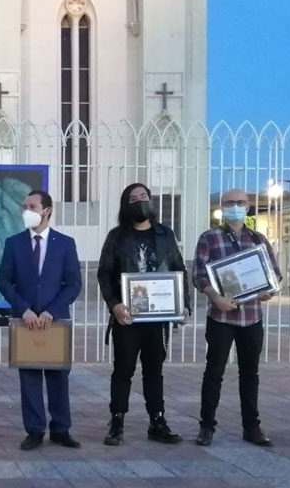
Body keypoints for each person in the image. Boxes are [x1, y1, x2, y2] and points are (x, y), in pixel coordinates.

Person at [97, 182, 189, 446]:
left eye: (144, 196)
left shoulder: (165, 235)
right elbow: (104, 273)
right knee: (123, 370)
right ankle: (116, 422)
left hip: (158, 319)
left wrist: (184, 305)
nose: (139, 201)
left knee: (154, 370)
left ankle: (157, 421)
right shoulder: (117, 236)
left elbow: (179, 270)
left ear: (151, 202)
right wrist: (114, 304)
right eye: (133, 198)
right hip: (127, 317)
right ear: (126, 205)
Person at [192, 188, 281, 447]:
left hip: (252, 317)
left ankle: (251, 427)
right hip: (220, 316)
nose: (235, 207)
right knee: (214, 373)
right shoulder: (209, 237)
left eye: (240, 203)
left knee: (250, 374)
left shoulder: (259, 240)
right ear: (221, 207)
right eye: (230, 203)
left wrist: (268, 290)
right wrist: (214, 296)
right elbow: (199, 274)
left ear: (248, 205)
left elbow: (274, 275)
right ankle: (206, 427)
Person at [0, 190, 83, 451]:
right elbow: (4, 281)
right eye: (25, 206)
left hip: (54, 321)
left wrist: (52, 311)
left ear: (46, 210)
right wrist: (23, 309)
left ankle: (61, 429)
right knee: (30, 377)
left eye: (32, 206)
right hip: (26, 321)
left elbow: (73, 283)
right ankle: (34, 430)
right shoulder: (14, 243)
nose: (26, 211)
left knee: (58, 376)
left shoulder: (65, 243)